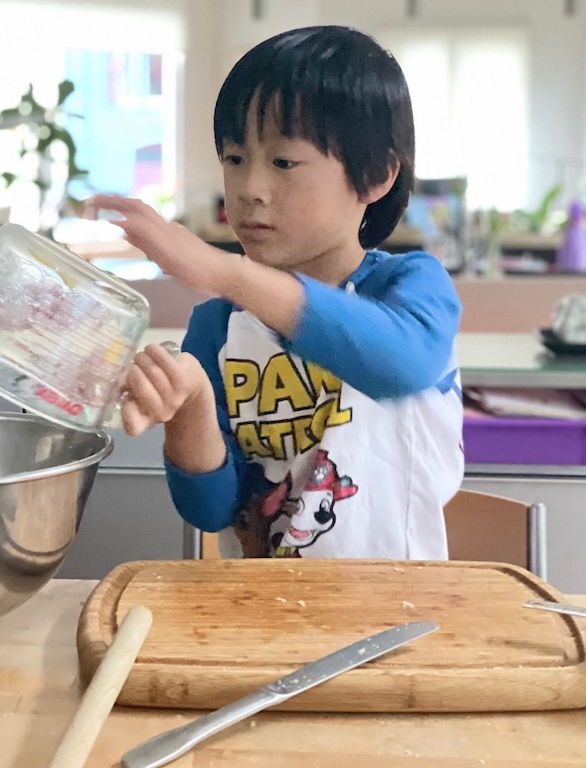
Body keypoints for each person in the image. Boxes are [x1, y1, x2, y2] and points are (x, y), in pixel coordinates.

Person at [88, 25, 463, 560]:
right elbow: (211, 510)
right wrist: (191, 405)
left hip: (396, 606)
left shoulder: (410, 288)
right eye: (235, 160)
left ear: (376, 175)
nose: (248, 190)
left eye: (283, 162)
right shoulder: (218, 328)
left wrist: (227, 272)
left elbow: (398, 366)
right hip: (266, 614)